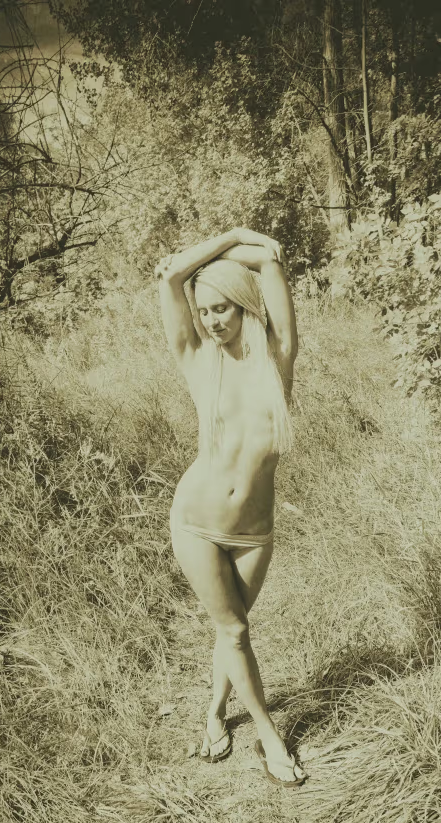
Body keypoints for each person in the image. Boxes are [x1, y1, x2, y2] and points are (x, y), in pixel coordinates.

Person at [154, 227, 306, 787]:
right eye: (203, 311)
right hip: (196, 522)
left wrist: (247, 249)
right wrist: (234, 235)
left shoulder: (277, 360)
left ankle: (216, 712)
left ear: (243, 305)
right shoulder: (197, 360)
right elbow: (171, 275)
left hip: (253, 531)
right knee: (237, 630)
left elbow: (271, 261)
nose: (212, 320)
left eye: (221, 308)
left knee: (230, 630)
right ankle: (269, 736)